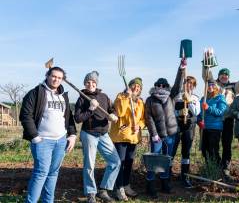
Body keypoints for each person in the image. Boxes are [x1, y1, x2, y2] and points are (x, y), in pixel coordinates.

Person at [20, 66, 77, 203]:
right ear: (47, 75)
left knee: (53, 173)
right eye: (54, 76)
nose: (56, 79)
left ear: (62, 79)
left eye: (59, 77)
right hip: (43, 141)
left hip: (61, 141)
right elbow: (25, 115)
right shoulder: (36, 93)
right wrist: (35, 137)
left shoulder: (63, 96)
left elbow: (68, 117)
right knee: (41, 173)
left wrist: (73, 135)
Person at [74, 71, 121, 203]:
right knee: (90, 165)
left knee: (115, 162)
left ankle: (103, 190)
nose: (91, 84)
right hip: (89, 134)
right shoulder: (82, 98)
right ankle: (90, 193)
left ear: (96, 83)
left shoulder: (104, 96)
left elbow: (112, 109)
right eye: (88, 82)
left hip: (104, 134)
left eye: (93, 82)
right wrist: (90, 109)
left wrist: (114, 115)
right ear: (85, 84)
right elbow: (78, 118)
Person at [203, 61, 239, 181]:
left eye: (226, 75)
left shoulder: (233, 86)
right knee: (213, 145)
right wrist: (206, 65)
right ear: (219, 76)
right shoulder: (214, 85)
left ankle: (225, 166)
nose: (224, 76)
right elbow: (207, 76)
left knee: (226, 143)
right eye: (222, 74)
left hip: (227, 119)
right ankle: (213, 165)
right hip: (215, 120)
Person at [144, 74, 181, 198]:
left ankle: (165, 184)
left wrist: (181, 69)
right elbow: (148, 118)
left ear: (167, 87)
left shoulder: (171, 97)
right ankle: (150, 185)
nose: (161, 87)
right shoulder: (150, 100)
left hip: (171, 135)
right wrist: (154, 134)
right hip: (157, 137)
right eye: (158, 85)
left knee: (167, 160)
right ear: (155, 86)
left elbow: (178, 84)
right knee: (153, 161)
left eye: (163, 85)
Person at [109, 77, 145, 201]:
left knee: (128, 163)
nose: (136, 88)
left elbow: (142, 119)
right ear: (129, 86)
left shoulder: (140, 102)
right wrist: (126, 97)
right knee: (120, 163)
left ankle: (126, 185)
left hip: (133, 137)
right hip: (120, 136)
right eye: (134, 85)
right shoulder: (120, 96)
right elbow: (120, 112)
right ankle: (118, 188)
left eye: (139, 87)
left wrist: (139, 126)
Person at [170, 59, 201, 188]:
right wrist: (179, 112)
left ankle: (185, 176)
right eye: (187, 83)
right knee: (172, 151)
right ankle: (167, 175)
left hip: (189, 128)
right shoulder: (177, 95)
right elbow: (172, 111)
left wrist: (190, 103)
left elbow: (197, 112)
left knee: (186, 152)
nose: (189, 86)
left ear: (193, 86)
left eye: (191, 84)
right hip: (177, 127)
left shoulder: (195, 98)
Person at [198, 79, 227, 167]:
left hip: (215, 128)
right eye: (208, 85)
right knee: (204, 150)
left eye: (212, 85)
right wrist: (199, 121)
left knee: (213, 150)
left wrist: (208, 108)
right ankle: (208, 168)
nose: (210, 87)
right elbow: (199, 112)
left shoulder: (220, 97)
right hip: (204, 128)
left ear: (215, 87)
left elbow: (221, 112)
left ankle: (217, 169)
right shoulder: (203, 98)